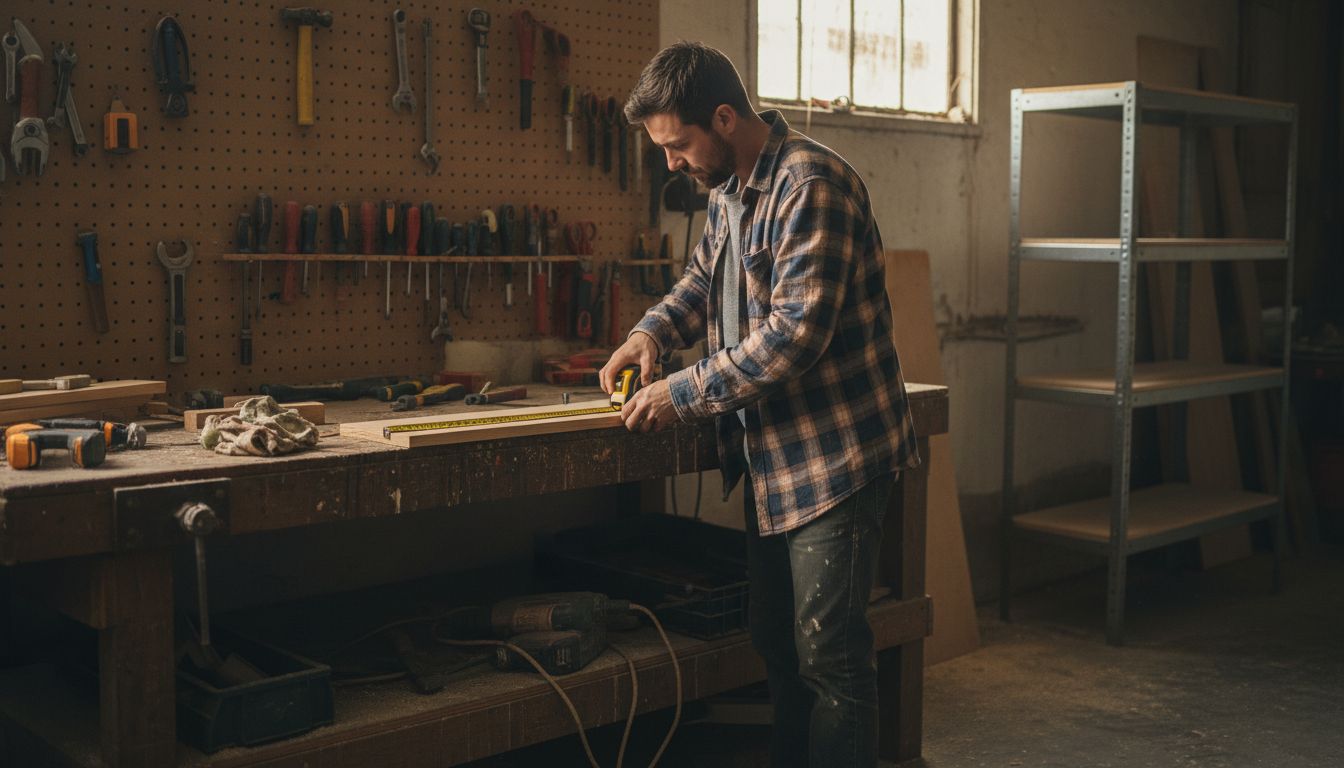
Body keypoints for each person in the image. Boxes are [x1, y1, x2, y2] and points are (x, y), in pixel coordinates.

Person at [598, 42, 921, 767]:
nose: (671, 164)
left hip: (835, 458)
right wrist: (648, 335)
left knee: (829, 656)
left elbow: (794, 336)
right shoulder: (728, 190)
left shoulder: (812, 185)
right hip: (774, 459)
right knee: (777, 640)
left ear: (722, 117)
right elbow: (701, 283)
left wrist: (680, 391)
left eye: (677, 145)